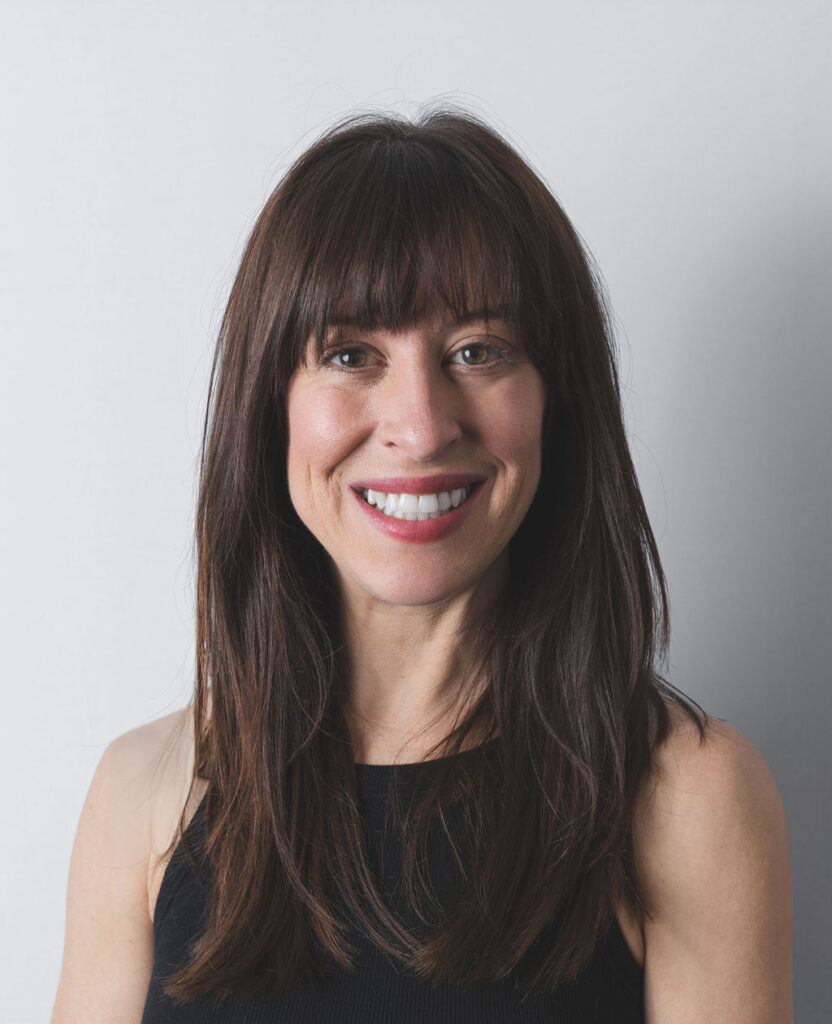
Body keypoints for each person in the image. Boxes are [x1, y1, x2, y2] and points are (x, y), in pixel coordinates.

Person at [52, 106, 793, 1022]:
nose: (421, 423)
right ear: (269, 407)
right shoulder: (146, 793)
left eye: (477, 351)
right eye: (352, 354)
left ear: (558, 399)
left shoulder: (687, 798)